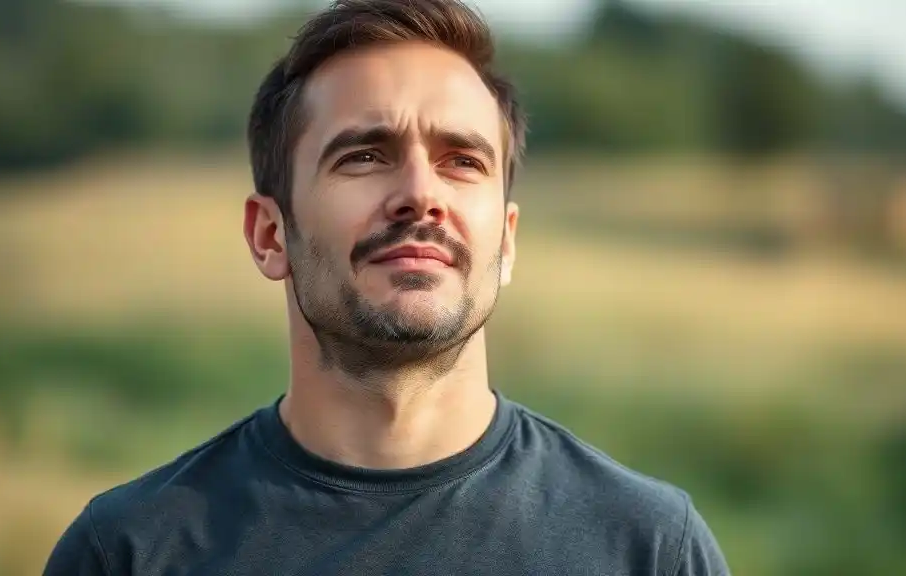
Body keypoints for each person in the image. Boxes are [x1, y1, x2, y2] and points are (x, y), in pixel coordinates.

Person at [43, 0, 730, 574]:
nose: (420, 195)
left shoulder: (648, 548)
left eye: (462, 161)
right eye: (365, 156)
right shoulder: (128, 552)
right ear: (269, 236)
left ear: (507, 239)